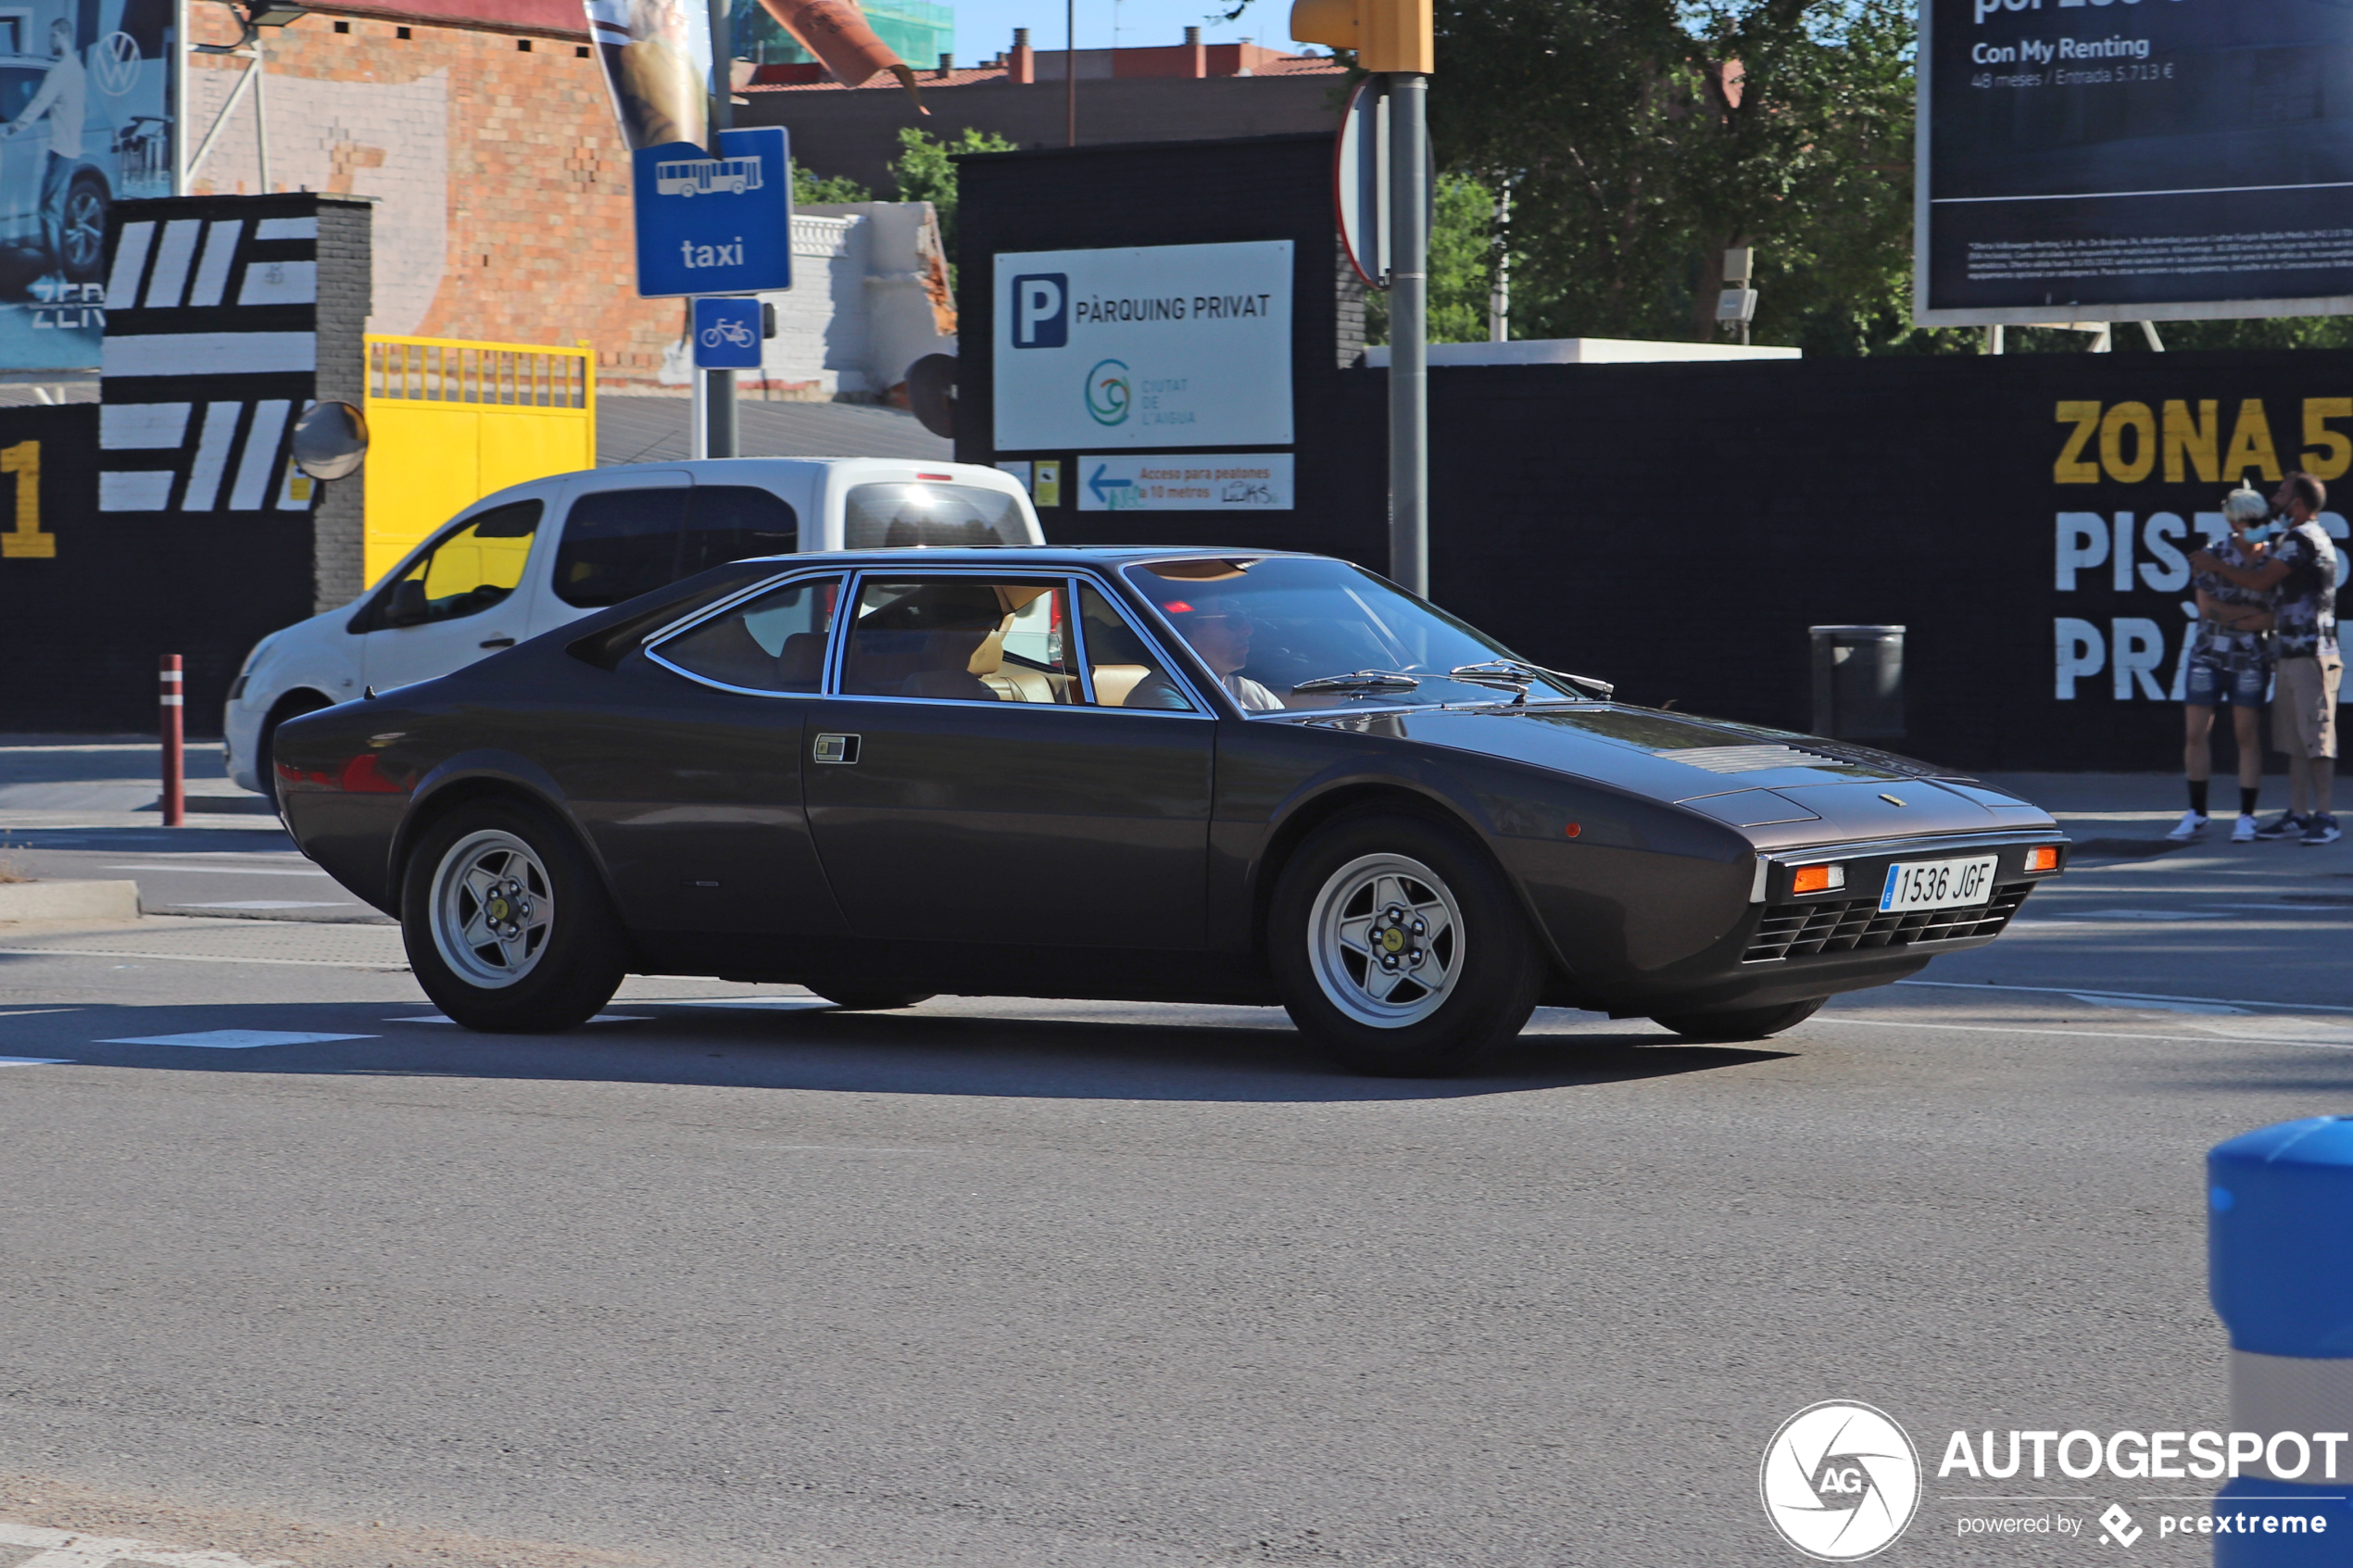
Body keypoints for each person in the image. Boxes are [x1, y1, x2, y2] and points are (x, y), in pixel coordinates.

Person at [2191, 471, 2342, 846]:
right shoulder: (2289, 538)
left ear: (2299, 503)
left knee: (2318, 738)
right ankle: (2297, 812)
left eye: (2281, 493)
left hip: (2312, 652)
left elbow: (2260, 583)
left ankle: (2325, 816)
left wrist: (2215, 567)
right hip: (2288, 651)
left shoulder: (2304, 538)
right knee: (2294, 740)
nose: (2274, 499)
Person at [2167, 483, 2277, 843]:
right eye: (2250, 520)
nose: (2259, 524)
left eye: (2262, 518)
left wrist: (2232, 616)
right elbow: (2206, 610)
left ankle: (2247, 816)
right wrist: (2247, 614)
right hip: (2207, 656)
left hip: (2251, 659)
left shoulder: (2275, 561)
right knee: (2195, 734)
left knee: (2247, 735)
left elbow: (2271, 619)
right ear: (2235, 523)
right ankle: (2197, 813)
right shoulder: (2213, 554)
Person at [3, 19, 85, 249]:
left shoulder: (60, 70)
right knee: (54, 209)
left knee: (49, 211)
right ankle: (56, 273)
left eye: (52, 36)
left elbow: (39, 102)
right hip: (70, 148)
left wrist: (13, 128)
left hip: (60, 149)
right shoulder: (77, 68)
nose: (49, 41)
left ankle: (55, 275)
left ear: (61, 36)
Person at [1161, 595, 1282, 711]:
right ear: (1190, 631)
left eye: (1247, 618)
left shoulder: (1251, 691)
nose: (1248, 630)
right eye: (1234, 620)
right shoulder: (1165, 697)